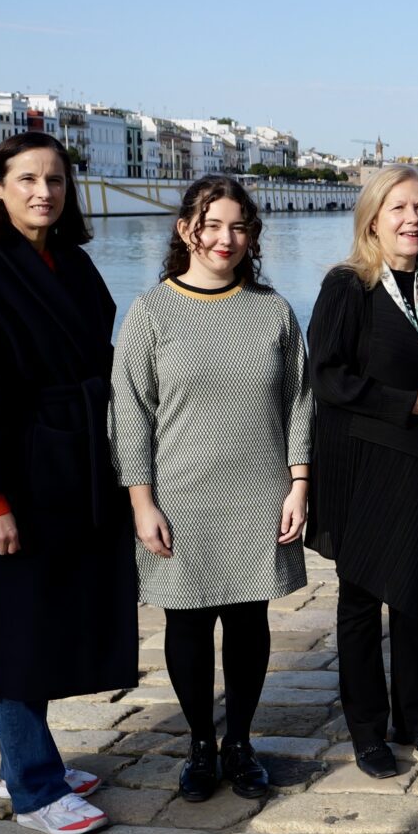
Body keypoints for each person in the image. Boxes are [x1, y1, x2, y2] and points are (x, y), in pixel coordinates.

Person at [0, 132, 137, 834]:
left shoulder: (70, 262)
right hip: (14, 476)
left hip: (76, 467)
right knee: (17, 630)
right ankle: (35, 791)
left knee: (47, 622)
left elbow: (105, 352)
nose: (43, 192)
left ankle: (23, 760)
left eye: (55, 179)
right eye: (26, 179)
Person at [111, 176, 312, 801]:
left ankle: (241, 743)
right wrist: (141, 501)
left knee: (250, 620)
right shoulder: (151, 311)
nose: (227, 239)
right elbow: (129, 413)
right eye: (213, 225)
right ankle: (200, 745)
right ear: (186, 230)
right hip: (180, 495)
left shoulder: (273, 311)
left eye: (239, 227)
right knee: (188, 624)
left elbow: (301, 401)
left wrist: (299, 483)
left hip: (259, 490)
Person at [307, 165, 418, 774]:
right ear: (373, 219)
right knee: (361, 601)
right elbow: (327, 376)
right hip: (363, 463)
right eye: (398, 208)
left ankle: (416, 720)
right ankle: (367, 732)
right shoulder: (348, 286)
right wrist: (409, 404)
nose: (412, 219)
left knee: (415, 598)